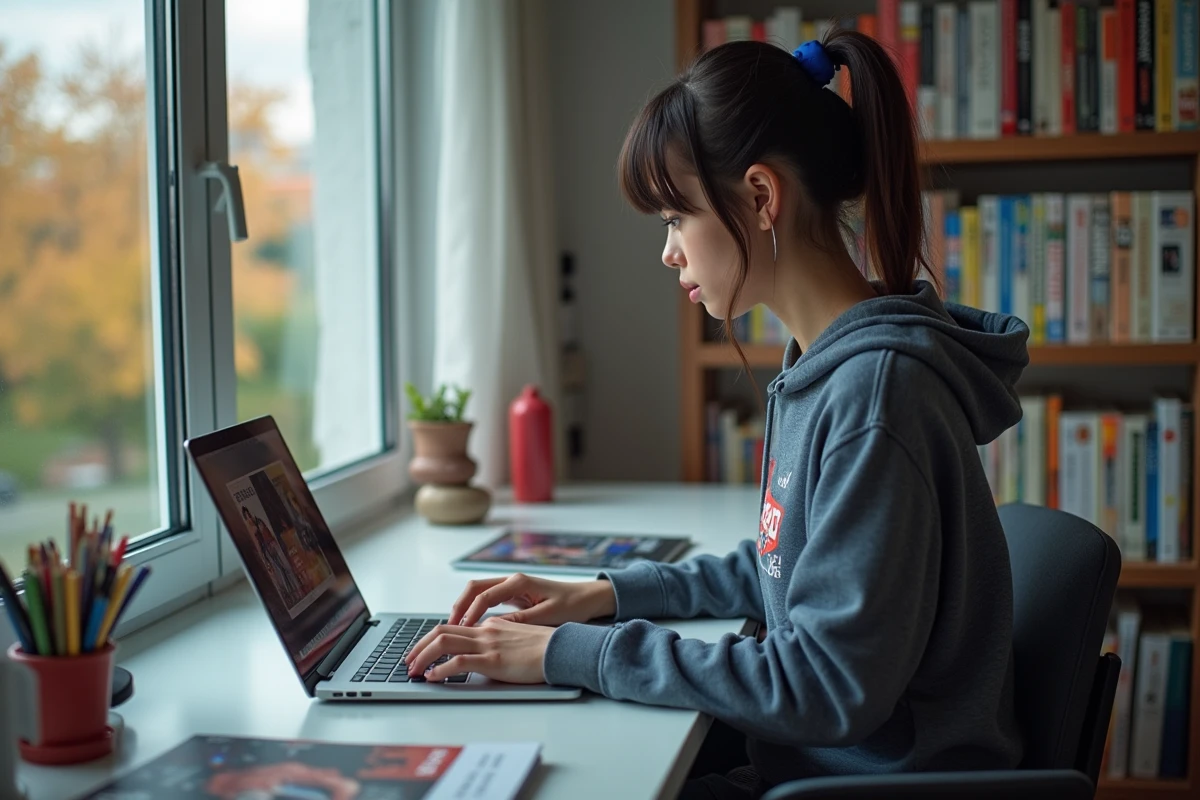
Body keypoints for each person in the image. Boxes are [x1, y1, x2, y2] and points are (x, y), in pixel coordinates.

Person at [405, 31, 1027, 799]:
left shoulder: (873, 395)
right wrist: (606, 593)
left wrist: (567, 653)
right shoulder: (827, 366)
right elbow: (784, 569)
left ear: (762, 199)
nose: (668, 252)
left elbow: (823, 685)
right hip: (822, 768)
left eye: (675, 218)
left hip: (866, 785)